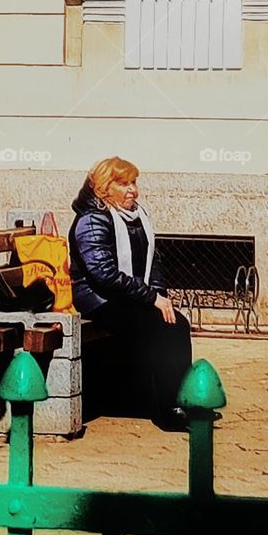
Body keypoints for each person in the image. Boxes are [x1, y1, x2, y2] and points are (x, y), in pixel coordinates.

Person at [68, 156, 193, 431]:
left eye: (133, 182)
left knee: (176, 323)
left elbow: (153, 260)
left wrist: (159, 294)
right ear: (103, 188)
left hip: (128, 298)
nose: (132, 190)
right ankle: (167, 409)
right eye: (123, 184)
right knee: (160, 327)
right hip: (98, 300)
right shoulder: (91, 220)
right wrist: (151, 298)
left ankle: (179, 399)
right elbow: (104, 274)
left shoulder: (136, 216)